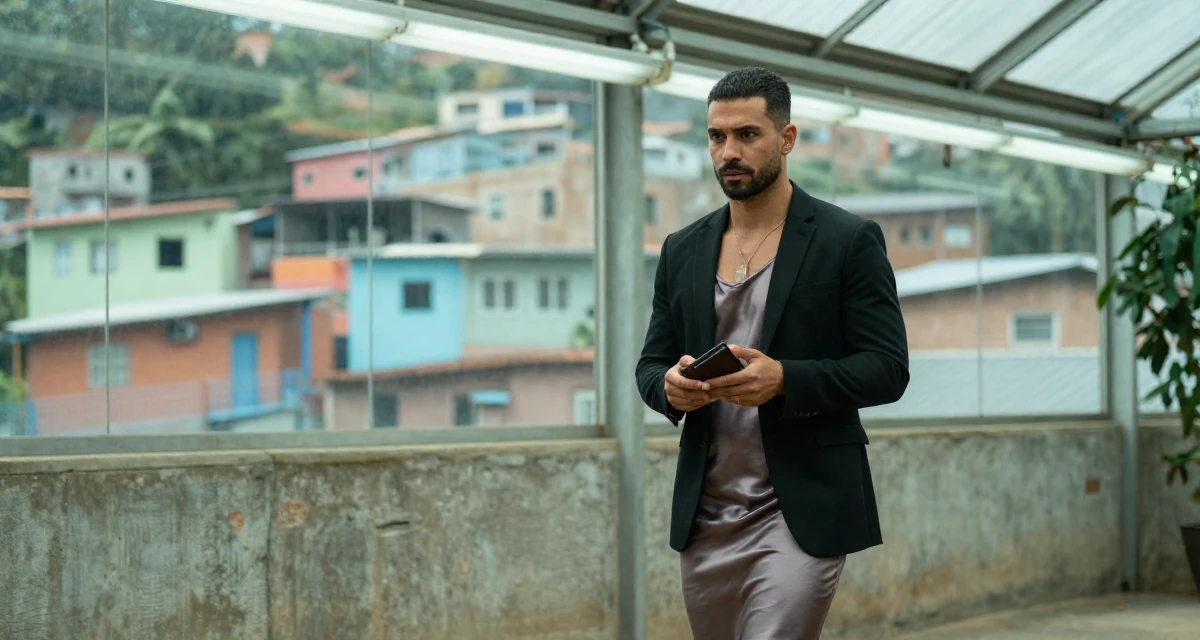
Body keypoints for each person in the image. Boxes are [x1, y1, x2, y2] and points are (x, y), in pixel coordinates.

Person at [635, 67, 910, 639]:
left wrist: (785, 379)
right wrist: (669, 387)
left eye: (747, 135)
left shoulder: (847, 240)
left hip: (799, 508)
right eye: (716, 137)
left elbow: (887, 368)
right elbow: (650, 364)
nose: (728, 152)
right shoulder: (681, 250)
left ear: (787, 138)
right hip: (707, 513)